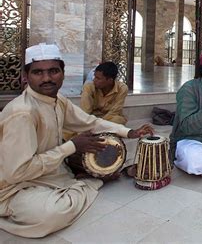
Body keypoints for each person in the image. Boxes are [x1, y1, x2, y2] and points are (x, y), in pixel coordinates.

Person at [0, 43, 153, 238]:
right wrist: (71, 147)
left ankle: (82, 177)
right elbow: (17, 173)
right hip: (14, 188)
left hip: (51, 174)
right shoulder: (22, 113)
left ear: (63, 73)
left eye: (53, 71)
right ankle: (88, 181)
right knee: (51, 215)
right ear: (26, 76)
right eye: (38, 72)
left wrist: (129, 132)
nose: (47, 78)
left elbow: (90, 122)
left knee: (106, 151)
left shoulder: (58, 100)